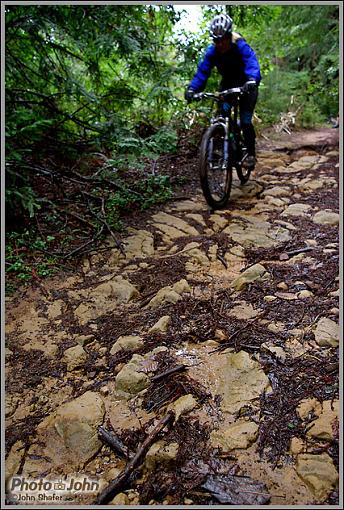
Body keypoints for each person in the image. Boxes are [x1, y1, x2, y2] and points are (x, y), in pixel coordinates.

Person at [185, 13, 261, 168]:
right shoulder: (212, 52)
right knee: (222, 115)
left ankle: (251, 155)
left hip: (248, 84)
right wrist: (192, 89)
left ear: (228, 36)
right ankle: (222, 147)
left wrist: (252, 80)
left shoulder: (240, 45)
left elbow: (252, 63)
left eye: (222, 39)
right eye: (215, 40)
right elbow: (202, 72)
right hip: (228, 85)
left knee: (246, 120)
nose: (219, 44)